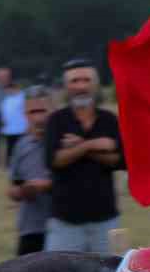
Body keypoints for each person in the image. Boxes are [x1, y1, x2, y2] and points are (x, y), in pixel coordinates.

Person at [42, 59, 124, 254]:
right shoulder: (56, 120)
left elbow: (122, 161)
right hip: (65, 221)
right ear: (66, 87)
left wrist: (78, 147)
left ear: (95, 85)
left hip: (106, 220)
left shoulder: (109, 120)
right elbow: (54, 160)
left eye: (86, 80)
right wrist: (95, 144)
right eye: (74, 81)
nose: (81, 86)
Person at [6, 85, 55, 256]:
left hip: (59, 227)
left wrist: (46, 186)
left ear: (53, 110)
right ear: (25, 115)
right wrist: (18, 192)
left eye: (42, 111)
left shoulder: (64, 142)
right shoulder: (21, 145)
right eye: (33, 112)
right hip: (29, 228)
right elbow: (13, 184)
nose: (38, 118)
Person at [0, 77, 27, 166]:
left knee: (22, 148)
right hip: (9, 130)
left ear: (14, 88)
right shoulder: (6, 101)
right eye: (6, 90)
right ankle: (9, 165)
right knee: (10, 149)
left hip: (21, 129)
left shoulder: (22, 98)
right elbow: (3, 114)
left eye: (9, 90)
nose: (8, 92)